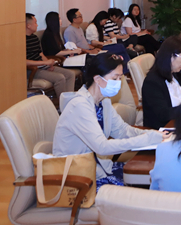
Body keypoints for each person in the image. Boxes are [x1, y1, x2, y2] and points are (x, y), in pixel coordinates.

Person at [53, 52, 166, 190]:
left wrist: (152, 134)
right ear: (97, 79)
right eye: (114, 78)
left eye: (120, 78)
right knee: (141, 187)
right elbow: (102, 147)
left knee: (154, 176)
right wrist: (146, 139)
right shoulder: (79, 106)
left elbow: (122, 131)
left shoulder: (103, 102)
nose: (118, 82)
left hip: (98, 168)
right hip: (78, 177)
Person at [25, 13, 75, 99]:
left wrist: (49, 64)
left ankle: (70, 100)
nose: (37, 25)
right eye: (35, 23)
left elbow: (40, 54)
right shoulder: (21, 40)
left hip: (42, 66)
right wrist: (44, 63)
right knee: (60, 78)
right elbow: (24, 61)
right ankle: (63, 103)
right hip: (32, 70)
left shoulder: (34, 38)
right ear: (28, 25)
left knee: (70, 74)